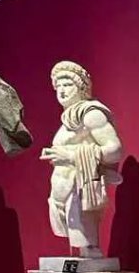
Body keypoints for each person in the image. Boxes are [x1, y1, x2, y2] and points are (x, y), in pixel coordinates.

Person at [39, 61, 123, 258]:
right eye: (58, 86)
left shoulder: (91, 114)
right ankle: (84, 252)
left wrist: (70, 156)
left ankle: (90, 250)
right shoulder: (69, 118)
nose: (61, 90)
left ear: (81, 88)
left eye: (68, 84)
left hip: (80, 186)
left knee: (87, 243)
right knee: (73, 236)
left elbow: (115, 150)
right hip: (63, 185)